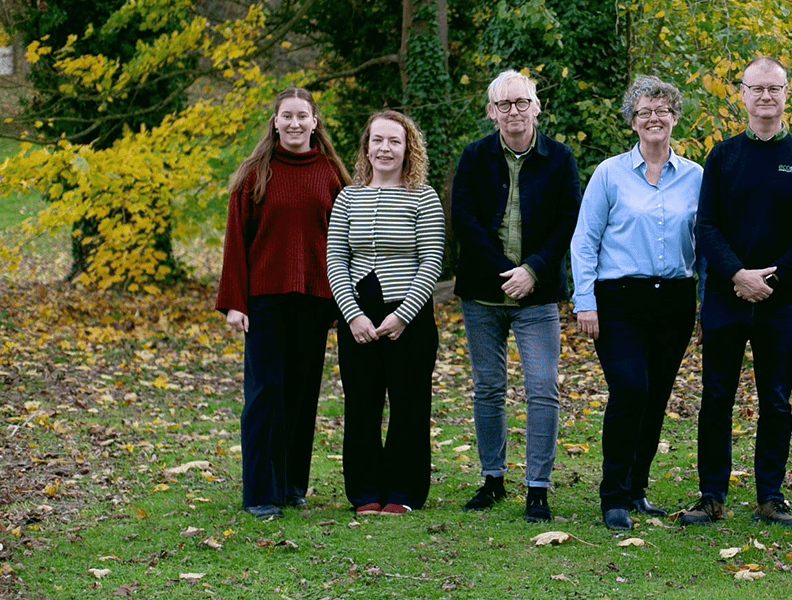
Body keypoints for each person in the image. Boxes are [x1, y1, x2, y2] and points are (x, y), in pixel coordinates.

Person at [680, 56, 792, 528]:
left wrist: (774, 277)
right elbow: (706, 226)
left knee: (777, 398)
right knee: (716, 396)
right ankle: (711, 495)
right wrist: (738, 275)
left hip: (780, 302)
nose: (766, 97)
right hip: (726, 298)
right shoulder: (722, 157)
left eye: (775, 89)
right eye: (757, 88)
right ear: (742, 94)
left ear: (787, 95)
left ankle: (771, 494)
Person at [570, 76, 703, 531]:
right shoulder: (609, 173)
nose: (654, 118)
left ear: (675, 118)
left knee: (657, 396)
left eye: (662, 110)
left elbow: (704, 242)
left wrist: (704, 298)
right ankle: (613, 497)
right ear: (632, 120)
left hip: (676, 301)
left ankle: (637, 490)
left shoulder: (696, 176)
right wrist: (585, 300)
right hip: (619, 301)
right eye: (645, 111)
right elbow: (585, 241)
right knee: (631, 391)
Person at [452, 70, 581, 522]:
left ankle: (538, 488)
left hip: (538, 295)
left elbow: (567, 222)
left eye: (521, 102)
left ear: (537, 107)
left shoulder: (560, 158)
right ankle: (492, 479)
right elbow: (464, 218)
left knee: (542, 388)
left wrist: (532, 270)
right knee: (488, 388)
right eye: (504, 105)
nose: (513, 112)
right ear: (491, 112)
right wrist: (503, 270)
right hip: (482, 295)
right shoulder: (474, 157)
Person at [217, 87, 351, 518]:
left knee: (301, 393)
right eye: (287, 116)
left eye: (302, 116)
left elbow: (345, 239)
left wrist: (342, 301)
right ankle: (261, 492)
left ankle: (293, 484)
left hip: (314, 301)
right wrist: (235, 302)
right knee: (264, 394)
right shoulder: (255, 172)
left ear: (315, 122)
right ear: (275, 121)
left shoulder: (331, 174)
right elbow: (235, 242)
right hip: (264, 302)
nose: (295, 123)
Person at [327, 110, 446, 516]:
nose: (385, 148)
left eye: (394, 141)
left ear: (407, 148)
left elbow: (432, 260)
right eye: (378, 140)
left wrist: (402, 316)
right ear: (366, 147)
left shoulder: (424, 196)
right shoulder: (348, 197)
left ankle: (403, 492)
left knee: (409, 405)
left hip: (407, 318)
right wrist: (353, 315)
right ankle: (364, 492)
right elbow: (335, 259)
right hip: (358, 315)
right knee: (361, 406)